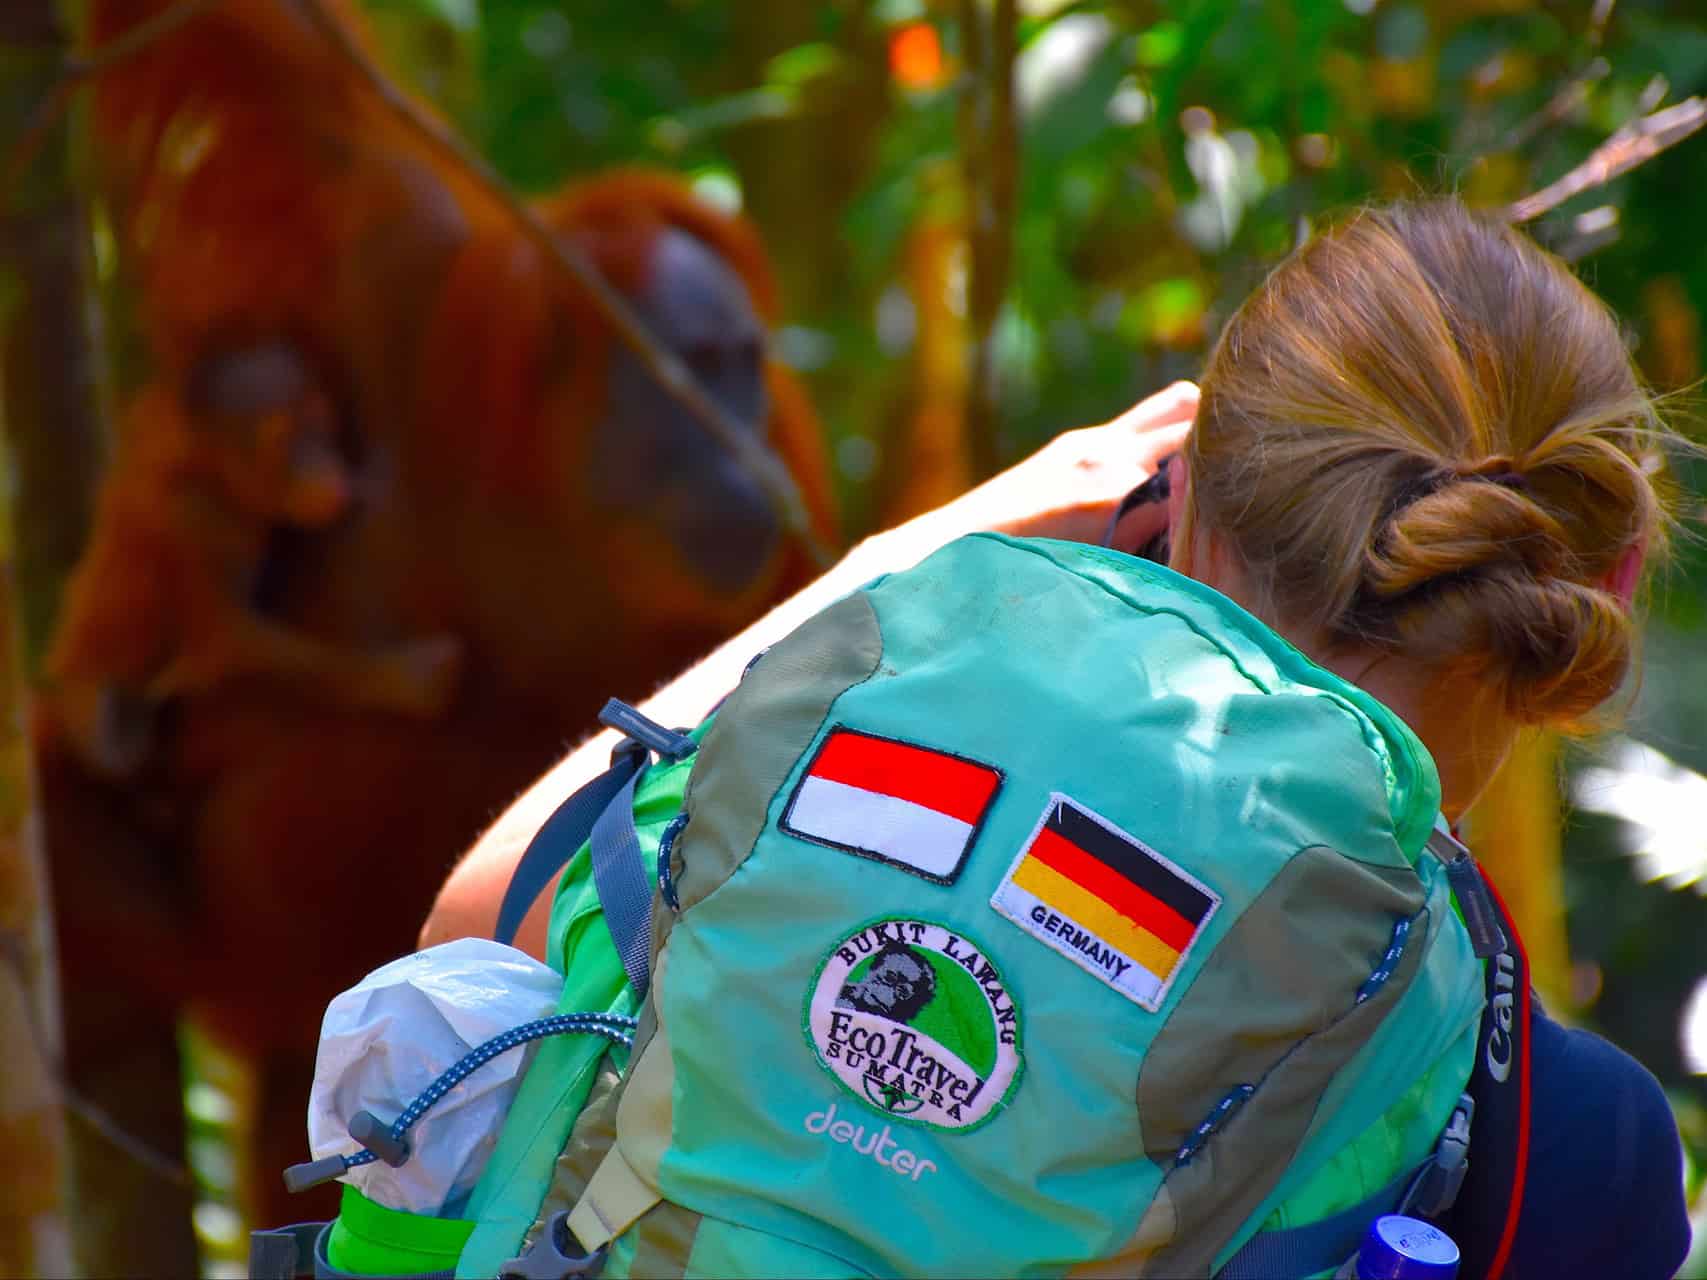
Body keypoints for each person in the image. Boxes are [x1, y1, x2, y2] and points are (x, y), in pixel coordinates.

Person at [419, 200, 1691, 1277]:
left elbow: (472, 926)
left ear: (1181, 488)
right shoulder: (1567, 1144)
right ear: (1609, 582)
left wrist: (905, 556)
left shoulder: (815, 775)